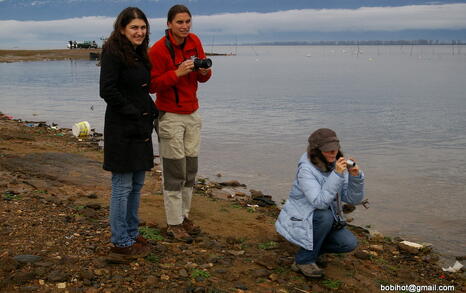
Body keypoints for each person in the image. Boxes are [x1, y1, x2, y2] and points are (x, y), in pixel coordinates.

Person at [148, 4, 212, 243]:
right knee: (174, 172)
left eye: (187, 22)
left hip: (192, 113)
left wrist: (203, 72)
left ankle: (184, 217)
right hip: (169, 116)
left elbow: (203, 76)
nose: (185, 26)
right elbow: (152, 86)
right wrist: (177, 73)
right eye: (179, 22)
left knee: (190, 170)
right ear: (169, 24)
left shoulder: (194, 40)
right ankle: (174, 223)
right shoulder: (157, 51)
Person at [99, 7, 157, 261]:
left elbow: (141, 89)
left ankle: (131, 233)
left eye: (143, 27)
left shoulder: (138, 53)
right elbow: (107, 90)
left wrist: (151, 111)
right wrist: (133, 112)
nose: (139, 32)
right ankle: (120, 241)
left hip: (140, 126)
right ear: (122, 28)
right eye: (134, 27)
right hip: (122, 128)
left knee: (137, 185)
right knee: (122, 187)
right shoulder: (113, 51)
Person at [275, 128, 365, 278]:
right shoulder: (306, 170)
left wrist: (356, 177)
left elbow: (352, 199)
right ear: (316, 151)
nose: (333, 153)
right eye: (328, 150)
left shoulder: (336, 164)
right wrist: (336, 175)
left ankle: (313, 250)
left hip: (324, 221)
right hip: (302, 219)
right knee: (324, 216)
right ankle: (304, 260)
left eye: (335, 149)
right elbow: (320, 202)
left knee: (348, 243)